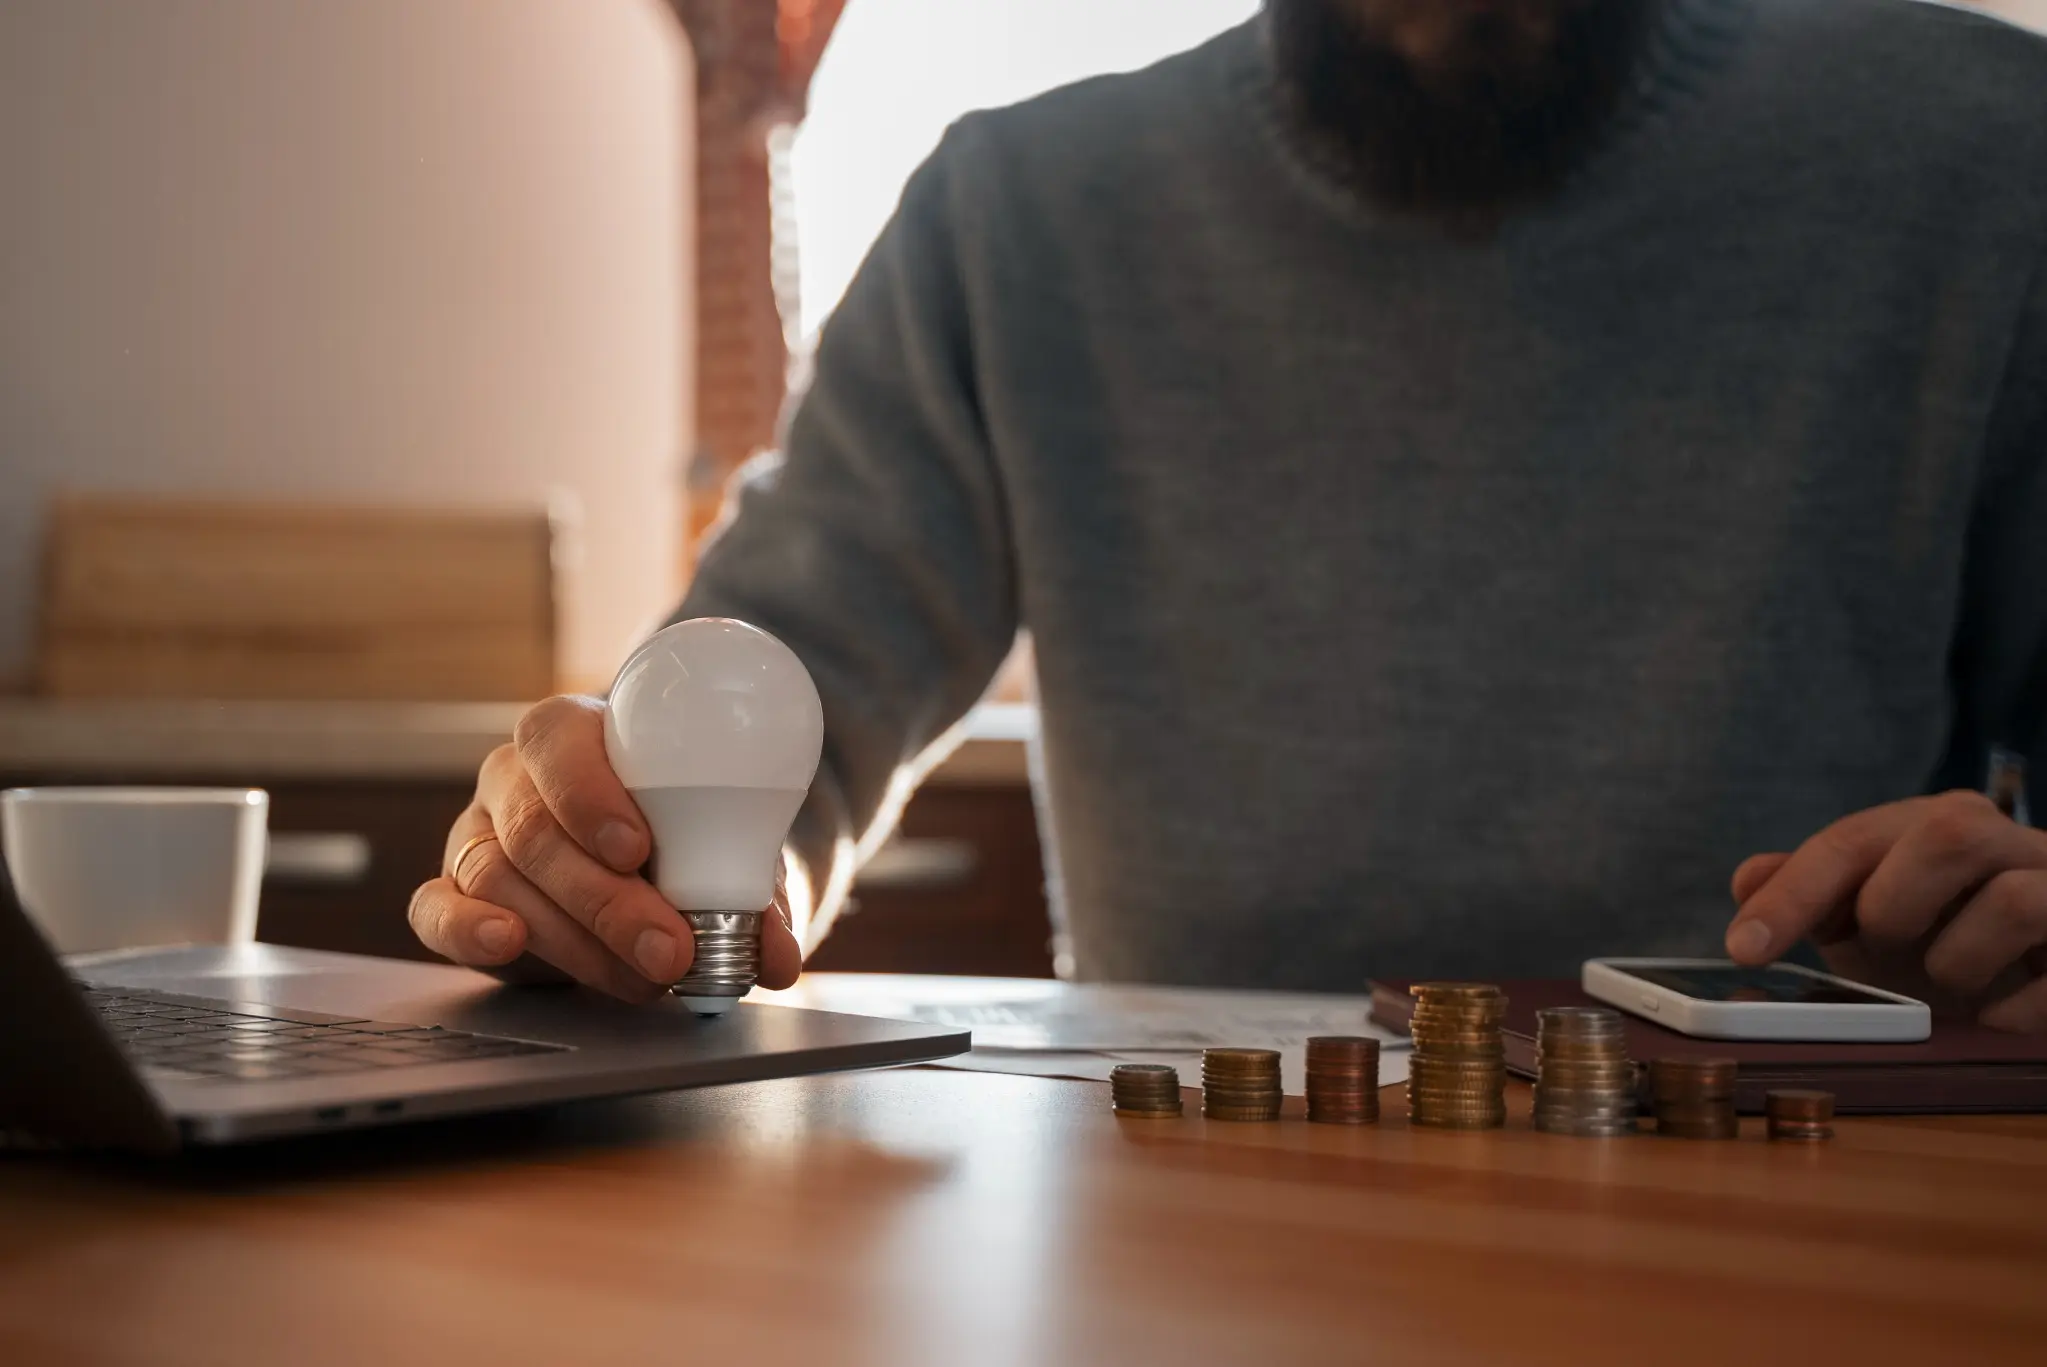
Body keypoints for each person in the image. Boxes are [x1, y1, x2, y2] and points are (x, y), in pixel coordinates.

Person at [407, 0, 2047, 1031]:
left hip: (1832, 1200)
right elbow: (784, 687)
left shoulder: (1983, 158)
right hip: (1182, 1212)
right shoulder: (1016, 213)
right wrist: (603, 857)